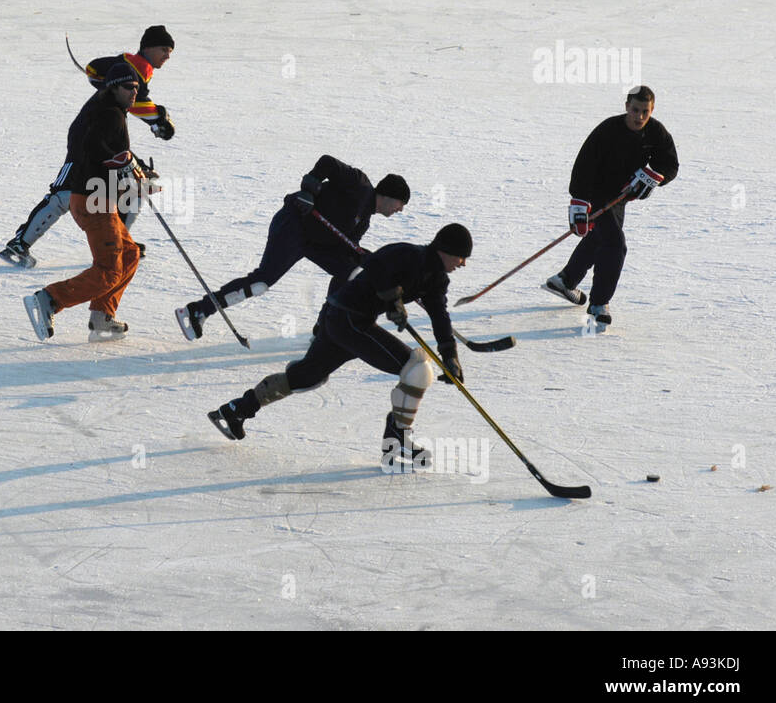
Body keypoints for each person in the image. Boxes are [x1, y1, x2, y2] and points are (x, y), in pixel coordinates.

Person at [208, 224, 474, 466]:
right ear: (445, 250)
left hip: (342, 319)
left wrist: (450, 355)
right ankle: (396, 446)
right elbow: (375, 265)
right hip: (349, 319)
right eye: (461, 256)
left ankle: (235, 410)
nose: (462, 263)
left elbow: (439, 315)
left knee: (305, 376)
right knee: (416, 369)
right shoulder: (408, 254)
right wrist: (393, 300)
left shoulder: (437, 279)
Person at [0, 25, 175, 268]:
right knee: (64, 195)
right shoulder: (123, 81)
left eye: (170, 51)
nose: (168, 55)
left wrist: (138, 165)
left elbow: (117, 142)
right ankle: (20, 245)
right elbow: (97, 74)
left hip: (98, 142)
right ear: (148, 48)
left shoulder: (128, 90)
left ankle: (118, 242)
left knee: (135, 189)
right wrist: (158, 119)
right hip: (82, 142)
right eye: (164, 49)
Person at [176, 157, 410, 339]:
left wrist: (361, 257)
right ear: (389, 196)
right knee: (261, 283)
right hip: (294, 224)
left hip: (315, 243)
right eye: (401, 204)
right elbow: (327, 162)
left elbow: (344, 249)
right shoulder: (359, 184)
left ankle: (326, 327)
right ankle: (199, 310)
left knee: (349, 272)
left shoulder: (364, 221)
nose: (399, 210)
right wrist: (308, 191)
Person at [23, 63, 147, 342]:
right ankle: (49, 299)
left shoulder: (105, 113)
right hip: (94, 201)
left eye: (137, 88)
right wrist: (119, 163)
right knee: (108, 271)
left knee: (129, 254)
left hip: (98, 199)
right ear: (113, 87)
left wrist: (132, 167)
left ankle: (102, 315)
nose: (134, 93)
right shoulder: (109, 114)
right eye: (128, 87)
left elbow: (110, 152)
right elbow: (94, 148)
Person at [543, 85, 679, 327]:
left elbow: (669, 163)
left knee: (600, 238)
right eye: (635, 110)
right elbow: (583, 165)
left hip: (620, 195)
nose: (639, 117)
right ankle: (598, 303)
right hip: (595, 191)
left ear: (652, 110)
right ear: (626, 106)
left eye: (645, 112)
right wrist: (579, 203)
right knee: (615, 244)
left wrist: (652, 177)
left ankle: (566, 280)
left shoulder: (655, 132)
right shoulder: (608, 130)